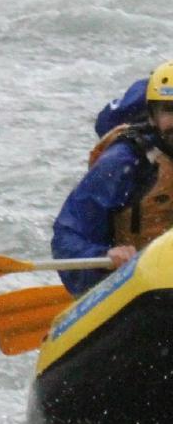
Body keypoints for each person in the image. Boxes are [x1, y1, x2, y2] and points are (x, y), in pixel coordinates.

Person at [55, 61, 173, 295]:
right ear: (152, 116)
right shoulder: (123, 163)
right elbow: (67, 236)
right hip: (136, 289)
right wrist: (102, 257)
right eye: (170, 110)